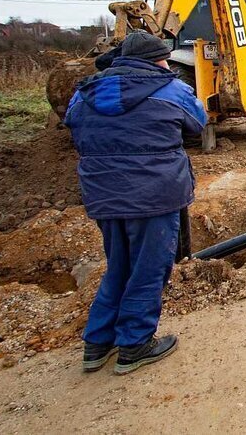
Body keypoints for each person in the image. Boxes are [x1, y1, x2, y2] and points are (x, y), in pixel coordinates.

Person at [64, 31, 207, 375]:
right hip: (154, 196)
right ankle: (135, 344)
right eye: (164, 58)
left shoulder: (84, 94)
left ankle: (98, 342)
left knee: (120, 266)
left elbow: (73, 128)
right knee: (149, 269)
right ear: (157, 59)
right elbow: (198, 121)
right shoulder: (170, 89)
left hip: (104, 195)